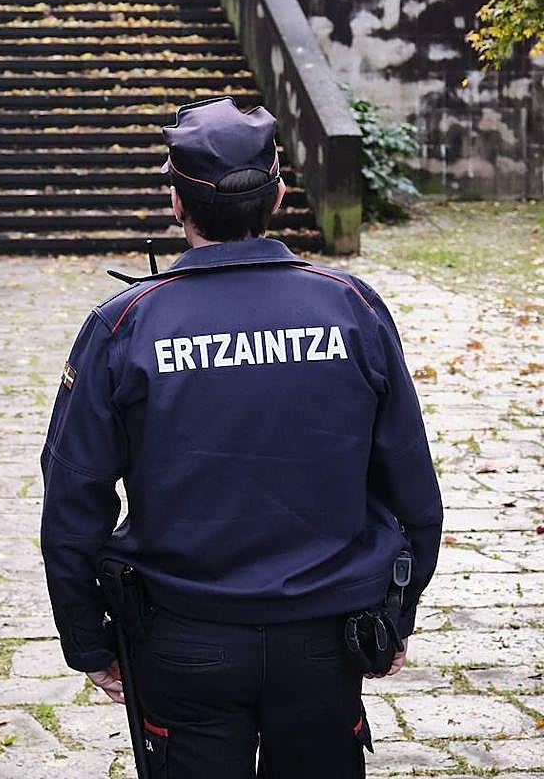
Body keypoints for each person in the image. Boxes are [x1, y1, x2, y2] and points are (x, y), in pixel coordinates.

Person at [39, 97, 443, 779]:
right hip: (324, 637)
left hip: (186, 639)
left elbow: (72, 497)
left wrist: (87, 639)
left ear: (176, 202)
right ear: (279, 193)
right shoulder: (351, 308)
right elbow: (414, 490)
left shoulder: (125, 324)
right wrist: (397, 614)